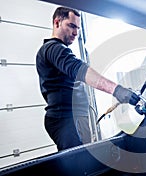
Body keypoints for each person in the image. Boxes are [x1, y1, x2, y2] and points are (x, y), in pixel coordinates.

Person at [36, 6, 140, 151]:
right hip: (67, 118)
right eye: (71, 26)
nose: (75, 33)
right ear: (57, 22)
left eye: (78, 28)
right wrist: (118, 90)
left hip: (71, 118)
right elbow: (81, 71)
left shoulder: (56, 49)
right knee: (79, 164)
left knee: (81, 161)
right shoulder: (54, 48)